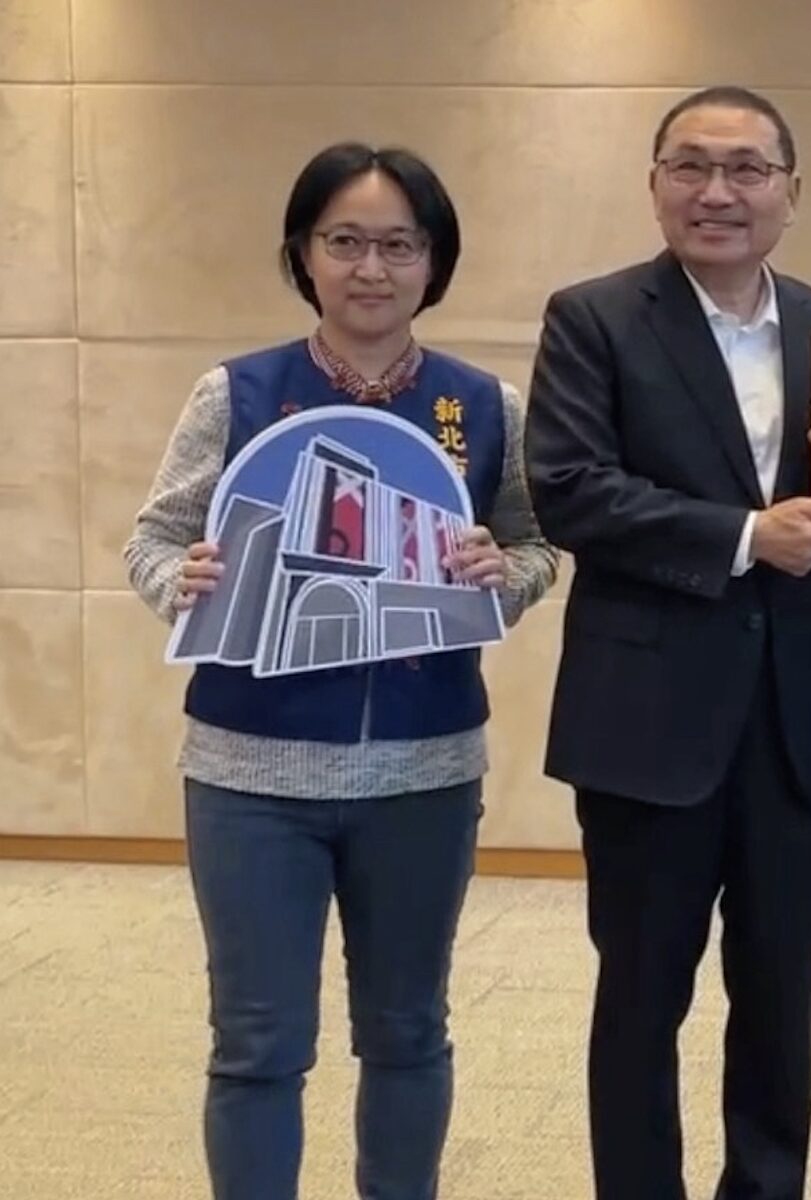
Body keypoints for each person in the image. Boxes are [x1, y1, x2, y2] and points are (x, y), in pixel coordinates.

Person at [124, 142, 557, 1200]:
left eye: (399, 246)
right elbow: (153, 539)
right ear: (303, 254)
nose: (372, 268)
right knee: (256, 1042)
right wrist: (183, 580)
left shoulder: (481, 404)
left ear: (434, 261)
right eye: (346, 242)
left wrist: (502, 575)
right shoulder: (238, 393)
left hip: (424, 773)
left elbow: (538, 544)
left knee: (407, 1031)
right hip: (248, 777)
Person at [525, 86, 811, 1200]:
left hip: (797, 723)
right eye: (690, 166)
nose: (717, 192)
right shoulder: (593, 318)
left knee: (782, 998)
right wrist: (744, 536)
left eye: (746, 169)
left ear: (791, 191)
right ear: (655, 186)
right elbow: (570, 490)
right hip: (646, 724)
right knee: (641, 999)